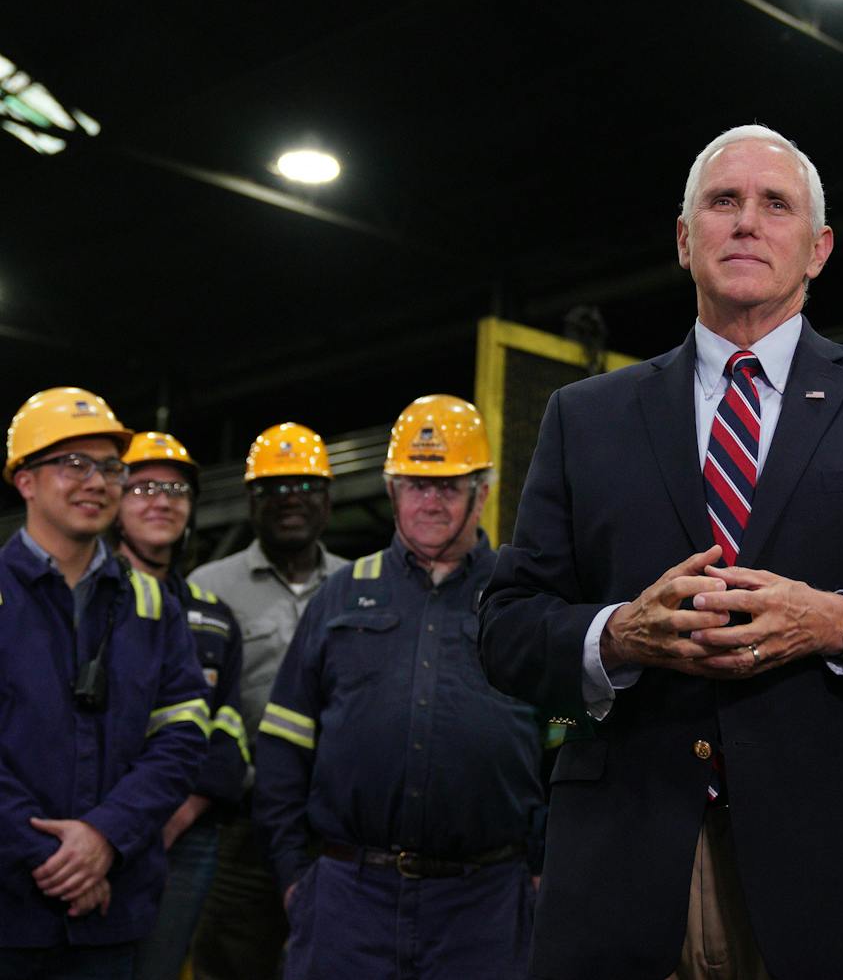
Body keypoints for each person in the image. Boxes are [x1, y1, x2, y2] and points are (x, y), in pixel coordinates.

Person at [479, 124, 843, 979]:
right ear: (682, 238)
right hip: (631, 865)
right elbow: (507, 628)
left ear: (818, 249)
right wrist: (619, 635)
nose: (746, 222)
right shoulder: (583, 418)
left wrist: (841, 622)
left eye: (775, 204)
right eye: (722, 201)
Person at [254, 394, 544, 978]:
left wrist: (545, 868)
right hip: (346, 900)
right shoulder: (339, 596)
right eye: (414, 484)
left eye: (448, 486)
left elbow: (568, 740)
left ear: (482, 492)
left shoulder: (527, 600)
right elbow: (284, 743)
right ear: (391, 492)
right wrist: (293, 877)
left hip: (486, 903)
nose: (429, 501)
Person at [0, 388, 209, 978]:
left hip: (112, 911)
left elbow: (185, 733)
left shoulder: (150, 603)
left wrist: (105, 838)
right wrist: (58, 863)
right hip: (11, 906)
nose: (97, 482)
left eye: (111, 468)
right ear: (25, 480)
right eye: (74, 464)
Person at [189, 423, 347, 980]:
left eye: (305, 485)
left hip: (340, 830)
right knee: (232, 964)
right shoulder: (209, 588)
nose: (291, 500)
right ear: (251, 501)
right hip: (240, 831)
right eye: (274, 489)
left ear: (328, 499)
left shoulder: (357, 586)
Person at [113, 432, 247, 980]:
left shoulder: (214, 616)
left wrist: (173, 819)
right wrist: (119, 828)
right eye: (142, 487)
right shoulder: (88, 600)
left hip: (185, 841)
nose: (161, 500)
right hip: (95, 836)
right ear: (115, 502)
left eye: (175, 489)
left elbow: (229, 730)